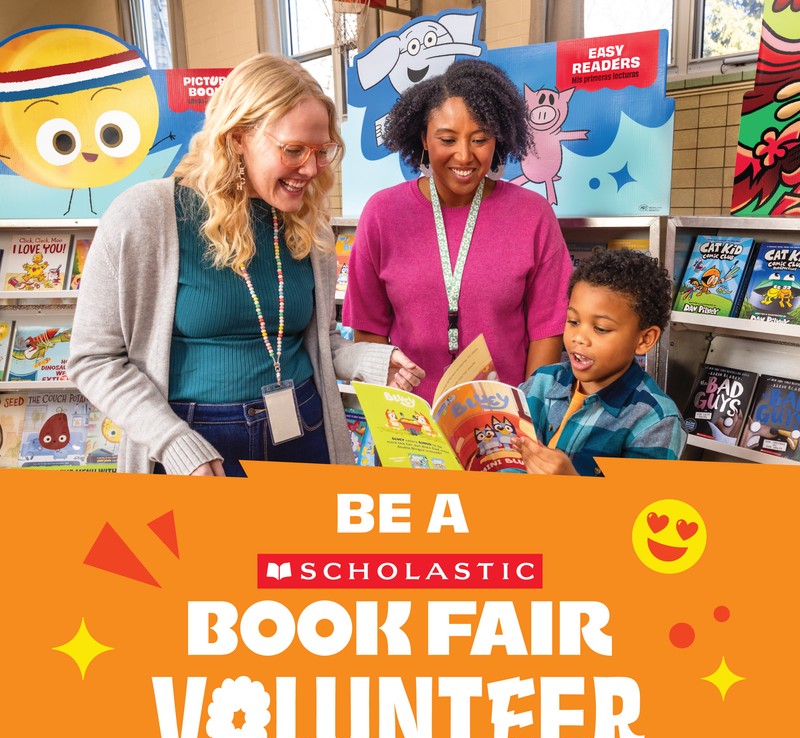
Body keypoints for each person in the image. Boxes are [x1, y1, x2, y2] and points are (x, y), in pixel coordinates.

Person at [68, 54, 423, 477]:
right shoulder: (147, 216)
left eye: (322, 150)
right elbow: (94, 360)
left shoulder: (309, 224)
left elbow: (317, 339)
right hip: (194, 449)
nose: (310, 169)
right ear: (237, 137)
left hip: (302, 431)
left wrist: (367, 360)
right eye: (293, 150)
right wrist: (173, 442)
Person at [342, 59, 572, 406]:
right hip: (409, 423)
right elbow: (369, 329)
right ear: (423, 137)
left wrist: (529, 413)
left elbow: (547, 329)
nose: (464, 156)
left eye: (480, 139)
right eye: (447, 139)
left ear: (500, 137)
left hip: (503, 426)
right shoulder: (382, 214)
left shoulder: (532, 214)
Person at [512, 249, 687, 476]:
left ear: (644, 339)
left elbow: (642, 509)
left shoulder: (656, 420)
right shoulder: (540, 382)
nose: (578, 338)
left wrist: (571, 485)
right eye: (573, 321)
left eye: (601, 329)